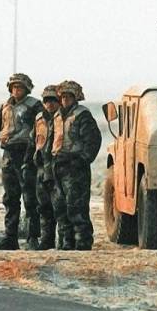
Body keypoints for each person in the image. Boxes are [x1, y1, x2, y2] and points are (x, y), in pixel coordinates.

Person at [0, 73, 43, 250]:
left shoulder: (34, 106)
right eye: (14, 87)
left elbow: (44, 127)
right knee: (10, 198)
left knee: (30, 198)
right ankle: (10, 237)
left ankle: (33, 237)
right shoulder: (6, 106)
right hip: (9, 153)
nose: (16, 90)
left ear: (26, 89)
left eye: (20, 87)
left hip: (26, 152)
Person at [46, 81, 102, 251]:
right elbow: (50, 142)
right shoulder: (56, 116)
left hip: (75, 168)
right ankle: (67, 242)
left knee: (76, 207)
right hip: (58, 166)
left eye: (68, 97)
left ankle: (83, 242)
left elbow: (93, 141)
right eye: (62, 97)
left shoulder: (82, 116)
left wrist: (82, 160)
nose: (65, 100)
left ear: (75, 98)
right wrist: (48, 166)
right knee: (60, 207)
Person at [25, 85, 60, 250]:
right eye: (47, 101)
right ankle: (47, 240)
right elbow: (33, 141)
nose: (50, 104)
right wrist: (27, 162)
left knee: (61, 207)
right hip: (41, 168)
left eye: (53, 100)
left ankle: (67, 242)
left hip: (58, 168)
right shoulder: (39, 118)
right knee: (44, 207)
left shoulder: (63, 118)